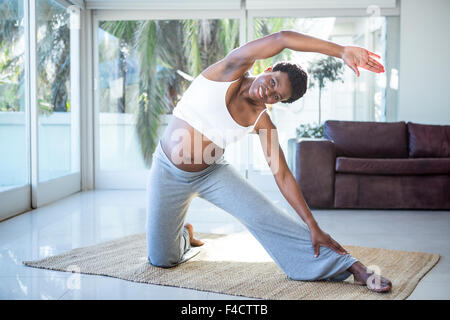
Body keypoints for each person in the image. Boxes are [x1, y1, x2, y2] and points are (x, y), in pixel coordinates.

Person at [145, 30, 392, 293]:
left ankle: (351, 266)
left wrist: (312, 225)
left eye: (277, 97)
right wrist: (341, 50)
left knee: (265, 214)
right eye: (273, 82)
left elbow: (282, 175)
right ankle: (185, 236)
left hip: (211, 173)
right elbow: (282, 38)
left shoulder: (262, 121)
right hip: (168, 171)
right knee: (162, 260)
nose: (268, 93)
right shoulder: (230, 69)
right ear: (269, 68)